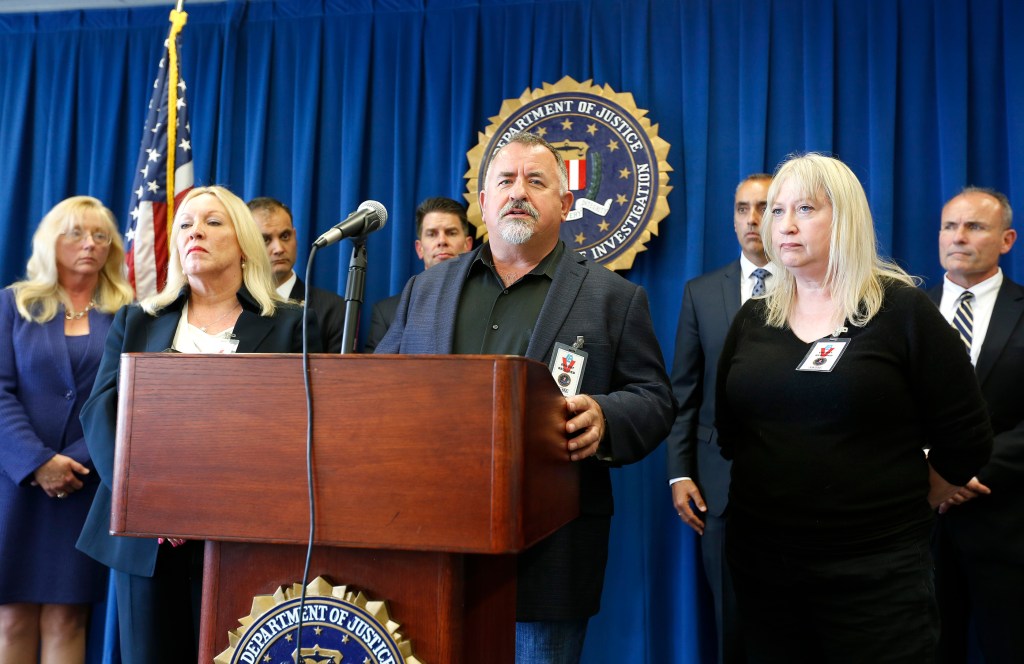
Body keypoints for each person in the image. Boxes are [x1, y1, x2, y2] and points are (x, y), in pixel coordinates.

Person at [376, 131, 674, 663]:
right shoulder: (425, 290)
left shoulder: (614, 298)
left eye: (535, 181)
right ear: (483, 203)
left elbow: (654, 398)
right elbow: (380, 390)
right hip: (428, 541)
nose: (518, 192)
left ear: (564, 204)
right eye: (505, 181)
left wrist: (606, 416)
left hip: (549, 550)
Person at [715, 153, 993, 663]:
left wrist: (905, 504)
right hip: (763, 569)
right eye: (776, 211)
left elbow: (967, 437)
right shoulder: (753, 319)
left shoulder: (905, 312)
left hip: (876, 575)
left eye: (805, 209)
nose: (785, 225)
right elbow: (731, 433)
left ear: (844, 218)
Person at [76, 186, 322, 664]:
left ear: (243, 241)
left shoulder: (293, 326)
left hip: (245, 537)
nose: (195, 233)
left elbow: (295, 430)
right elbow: (101, 412)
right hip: (148, 539)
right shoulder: (139, 322)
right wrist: (147, 503)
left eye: (212, 222)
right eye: (185, 224)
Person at [0, 196, 132, 664]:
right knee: (11, 617)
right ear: (50, 242)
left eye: (100, 236)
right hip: (15, 485)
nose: (90, 244)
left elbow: (126, 399)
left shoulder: (127, 313)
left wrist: (76, 461)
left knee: (67, 617)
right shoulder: (13, 305)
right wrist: (37, 462)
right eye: (76, 233)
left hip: (85, 484)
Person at [666, 173, 772, 664]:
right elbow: (682, 393)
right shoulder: (702, 293)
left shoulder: (823, 288)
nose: (752, 220)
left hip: (806, 486)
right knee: (731, 623)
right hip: (718, 489)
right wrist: (681, 471)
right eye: (742, 208)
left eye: (766, 207)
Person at [928, 187, 1024, 664]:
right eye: (949, 226)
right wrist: (932, 475)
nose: (958, 237)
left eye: (974, 226)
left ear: (1007, 239)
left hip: (1005, 522)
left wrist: (967, 475)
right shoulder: (903, 313)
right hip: (918, 526)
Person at [363, 196, 473, 352]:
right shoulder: (386, 312)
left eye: (451, 233)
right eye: (432, 234)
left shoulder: (485, 300)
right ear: (419, 248)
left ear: (467, 245)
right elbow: (375, 372)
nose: (442, 241)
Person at [248, 196, 345, 352]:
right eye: (265, 239)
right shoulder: (233, 304)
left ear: (295, 236)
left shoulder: (333, 309)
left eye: (285, 236)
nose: (279, 248)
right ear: (246, 244)